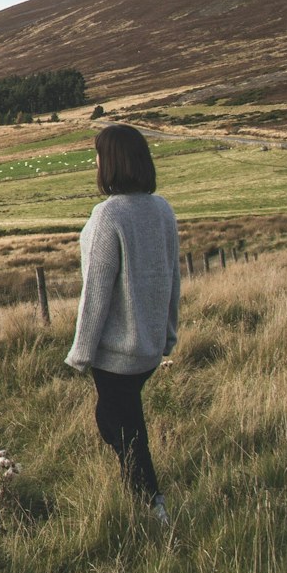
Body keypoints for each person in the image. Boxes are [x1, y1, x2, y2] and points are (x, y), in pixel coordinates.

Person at [66, 124, 180, 525]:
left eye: (97, 155)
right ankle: (142, 495)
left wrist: (81, 352)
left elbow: (95, 291)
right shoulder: (162, 209)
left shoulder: (108, 214)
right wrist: (167, 333)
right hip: (148, 347)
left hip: (116, 353)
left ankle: (151, 504)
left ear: (110, 161)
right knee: (122, 420)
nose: (94, 163)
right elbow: (172, 276)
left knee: (123, 429)